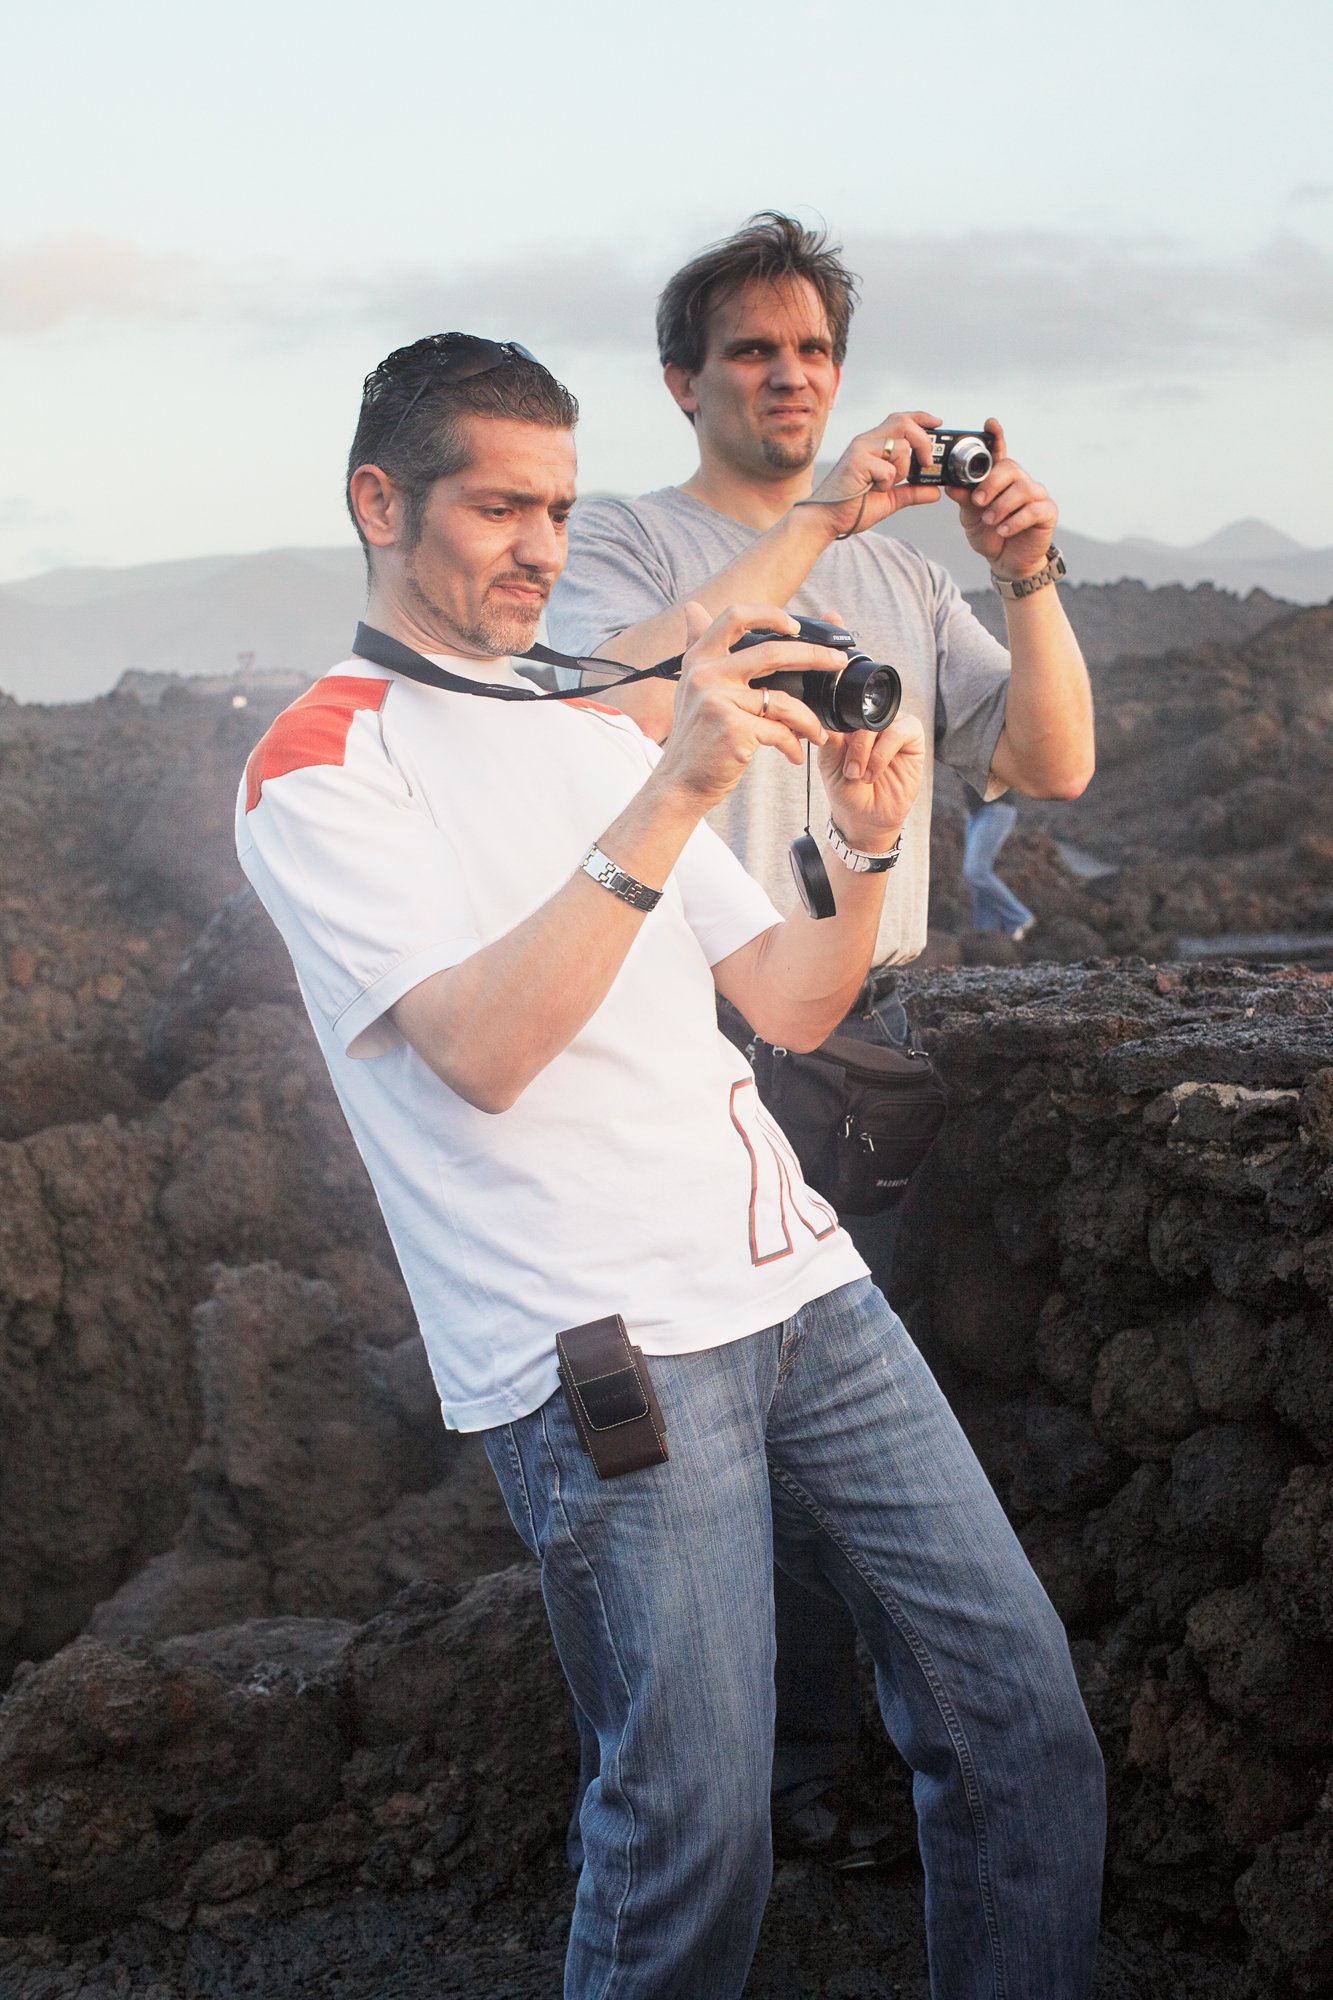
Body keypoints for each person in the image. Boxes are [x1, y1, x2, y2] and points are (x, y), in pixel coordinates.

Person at [237, 332, 1105, 1999]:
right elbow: (487, 1049)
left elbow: (783, 992)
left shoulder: (576, 718)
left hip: (802, 1288)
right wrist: (673, 787)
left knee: (1018, 1725)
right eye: (497, 508)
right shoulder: (320, 764)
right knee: (693, 1838)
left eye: (558, 509)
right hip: (601, 1351)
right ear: (376, 500)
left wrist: (860, 834)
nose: (540, 548)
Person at [546, 211, 1095, 1858]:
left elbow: (1049, 765)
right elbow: (590, 687)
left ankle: (872, 1762)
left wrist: (1021, 566)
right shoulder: (625, 542)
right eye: (752, 351)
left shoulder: (902, 577)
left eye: (813, 353)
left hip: (859, 1020)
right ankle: (767, 1779)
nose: (789, 376)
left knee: (855, 1423)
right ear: (679, 379)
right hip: (680, 1031)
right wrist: (821, 514)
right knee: (718, 1436)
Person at [962, 781, 1037, 939]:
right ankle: (987, 932)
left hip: (995, 810)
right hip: (976, 813)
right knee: (978, 875)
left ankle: (1020, 918)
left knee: (975, 871)